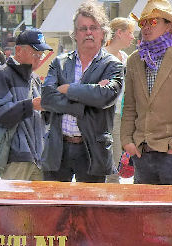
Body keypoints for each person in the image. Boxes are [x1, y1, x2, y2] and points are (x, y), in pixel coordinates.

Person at [121, 0, 172, 186]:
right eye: (143, 23)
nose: (146, 27)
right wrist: (127, 140)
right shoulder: (135, 60)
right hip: (142, 152)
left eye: (153, 22)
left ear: (169, 26)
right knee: (143, 214)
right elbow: (129, 106)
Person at [40, 1, 124, 183]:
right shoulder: (59, 63)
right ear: (75, 34)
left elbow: (105, 97)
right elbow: (46, 99)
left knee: (90, 210)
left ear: (102, 33)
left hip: (93, 151)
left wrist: (69, 89)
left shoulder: (112, 65)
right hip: (57, 149)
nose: (88, 33)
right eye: (83, 28)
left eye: (93, 28)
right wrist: (85, 102)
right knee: (55, 208)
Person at [0, 27, 51, 181]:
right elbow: (0, 116)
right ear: (18, 50)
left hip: (39, 158)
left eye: (41, 54)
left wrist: (51, 107)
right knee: (13, 204)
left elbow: (43, 119)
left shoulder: (34, 78)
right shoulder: (2, 75)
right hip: (15, 158)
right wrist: (31, 105)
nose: (39, 58)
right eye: (35, 54)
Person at [106, 16, 137, 182]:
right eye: (130, 33)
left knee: (117, 164)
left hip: (123, 115)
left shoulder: (125, 57)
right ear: (119, 33)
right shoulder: (102, 56)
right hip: (109, 115)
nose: (133, 37)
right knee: (112, 166)